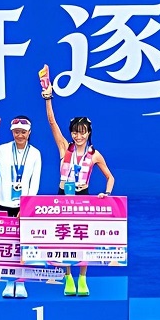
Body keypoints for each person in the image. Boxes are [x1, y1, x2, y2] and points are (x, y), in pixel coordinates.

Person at [41, 82, 115, 297]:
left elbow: (110, 177)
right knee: (64, 237)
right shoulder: (64, 147)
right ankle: (67, 276)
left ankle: (82, 278)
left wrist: (107, 193)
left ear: (89, 132)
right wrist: (48, 99)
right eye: (75, 132)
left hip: (83, 197)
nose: (78, 136)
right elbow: (52, 121)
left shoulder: (95, 154)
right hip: (63, 195)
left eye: (82, 132)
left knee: (83, 238)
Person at [0, 115, 43, 299]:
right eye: (16, 132)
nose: (19, 135)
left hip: (23, 206)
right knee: (6, 245)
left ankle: (20, 282)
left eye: (23, 132)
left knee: (23, 244)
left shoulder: (35, 154)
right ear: (12, 132)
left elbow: (34, 184)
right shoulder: (2, 150)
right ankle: (8, 281)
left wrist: (26, 207)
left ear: (29, 133)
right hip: (3, 203)